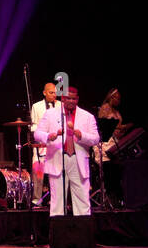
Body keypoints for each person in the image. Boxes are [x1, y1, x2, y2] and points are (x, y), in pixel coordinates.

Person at [34, 85, 99, 217]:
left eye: (73, 99)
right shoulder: (50, 114)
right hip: (58, 158)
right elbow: (37, 134)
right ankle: (58, 235)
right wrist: (49, 136)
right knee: (57, 201)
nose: (71, 101)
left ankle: (83, 234)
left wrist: (82, 135)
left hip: (78, 160)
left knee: (82, 201)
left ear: (77, 99)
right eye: (68, 98)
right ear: (63, 98)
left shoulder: (87, 116)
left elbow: (96, 138)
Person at [29, 82, 57, 207]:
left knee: (56, 173)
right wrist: (44, 134)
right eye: (51, 92)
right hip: (41, 145)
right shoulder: (37, 106)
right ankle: (37, 200)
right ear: (44, 93)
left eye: (55, 92)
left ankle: (56, 199)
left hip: (56, 146)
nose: (54, 95)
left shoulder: (60, 105)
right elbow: (33, 125)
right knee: (37, 171)